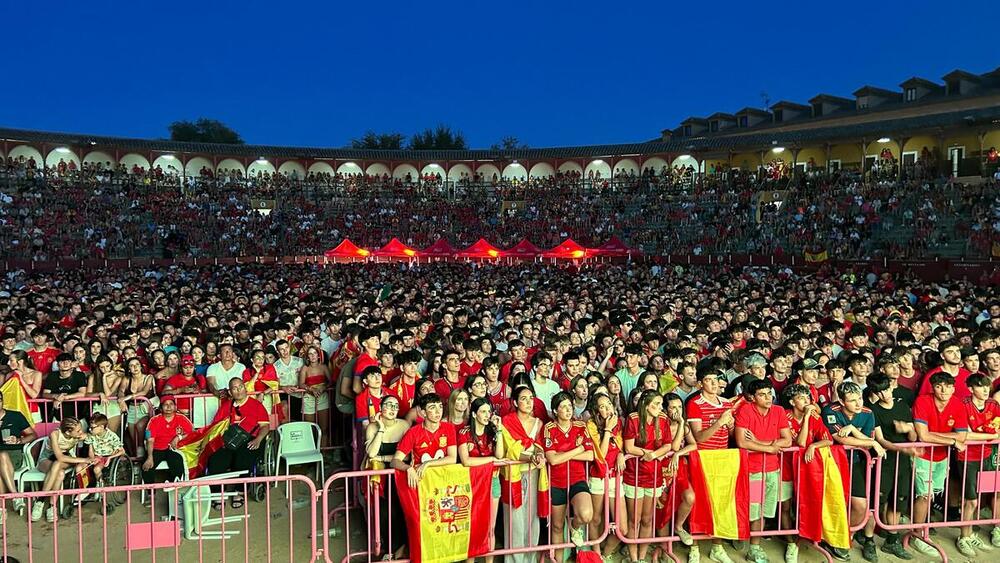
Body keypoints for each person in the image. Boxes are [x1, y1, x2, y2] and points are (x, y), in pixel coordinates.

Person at [734, 378, 793, 563]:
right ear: (752, 397)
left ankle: (755, 547)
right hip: (753, 470)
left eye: (770, 393)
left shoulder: (778, 410)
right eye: (762, 394)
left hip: (772, 469)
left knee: (763, 511)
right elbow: (742, 442)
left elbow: (787, 440)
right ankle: (743, 540)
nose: (768, 397)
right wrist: (770, 447)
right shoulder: (745, 410)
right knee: (752, 510)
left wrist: (758, 443)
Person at [910, 372, 968, 557]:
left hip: (941, 458)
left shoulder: (957, 404)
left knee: (931, 496)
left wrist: (939, 437)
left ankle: (922, 531)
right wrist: (951, 441)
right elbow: (923, 436)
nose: (944, 390)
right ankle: (917, 536)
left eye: (948, 386)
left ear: (953, 387)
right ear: (933, 388)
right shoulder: (923, 401)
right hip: (922, 456)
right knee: (924, 496)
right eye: (939, 386)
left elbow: (962, 436)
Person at [682, 364, 735, 563]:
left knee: (720, 504)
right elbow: (699, 437)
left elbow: (730, 435)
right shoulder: (695, 403)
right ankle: (694, 548)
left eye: (716, 380)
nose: (713, 384)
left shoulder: (726, 404)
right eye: (708, 380)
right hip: (701, 459)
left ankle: (717, 547)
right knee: (698, 504)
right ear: (700, 383)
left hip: (722, 459)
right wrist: (720, 422)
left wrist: (730, 426)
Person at [781, 383, 834, 563]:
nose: (807, 401)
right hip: (785, 468)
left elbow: (828, 440)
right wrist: (805, 420)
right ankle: (790, 543)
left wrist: (815, 445)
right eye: (802, 398)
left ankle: (804, 537)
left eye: (808, 398)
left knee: (804, 505)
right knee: (786, 507)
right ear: (792, 401)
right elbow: (801, 442)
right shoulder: (784, 416)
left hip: (806, 470)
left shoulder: (815, 417)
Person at [865, 376, 917, 560]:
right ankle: (868, 540)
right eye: (879, 392)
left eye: (886, 390)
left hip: (902, 462)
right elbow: (881, 440)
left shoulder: (902, 406)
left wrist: (907, 430)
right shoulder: (873, 411)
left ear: (891, 388)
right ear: (874, 393)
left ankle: (892, 540)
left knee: (898, 500)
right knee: (876, 501)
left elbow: (912, 435)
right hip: (884, 461)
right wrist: (904, 449)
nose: (884, 394)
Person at [622, 389, 673, 563]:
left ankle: (642, 557)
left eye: (660, 404)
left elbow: (668, 445)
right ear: (645, 404)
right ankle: (633, 558)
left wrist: (653, 455)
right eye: (656, 404)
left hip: (654, 476)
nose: (660, 408)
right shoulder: (633, 419)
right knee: (633, 520)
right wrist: (648, 452)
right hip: (634, 476)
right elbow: (629, 447)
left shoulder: (663, 420)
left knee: (647, 519)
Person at [205, 377, 271, 508]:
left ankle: (239, 491)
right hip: (229, 440)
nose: (238, 390)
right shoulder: (225, 407)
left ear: (245, 387)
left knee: (243, 459)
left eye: (240, 386)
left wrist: (258, 439)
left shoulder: (256, 405)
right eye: (234, 388)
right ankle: (218, 493)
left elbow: (265, 426)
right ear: (230, 392)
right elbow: (216, 427)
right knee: (215, 459)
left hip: (251, 439)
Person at [544, 391, 595, 556]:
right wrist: (578, 449)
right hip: (556, 481)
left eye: (570, 406)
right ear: (555, 410)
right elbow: (552, 460)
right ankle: (558, 559)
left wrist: (564, 454)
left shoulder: (580, 426)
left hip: (577, 478)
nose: (567, 410)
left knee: (586, 515)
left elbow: (590, 455)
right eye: (563, 406)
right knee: (557, 526)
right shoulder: (549, 428)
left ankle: (575, 527)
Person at [954, 374, 1000, 554]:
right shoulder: (962, 405)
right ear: (971, 389)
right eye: (980, 387)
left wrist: (987, 435)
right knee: (970, 500)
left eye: (987, 387)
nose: (985, 390)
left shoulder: (993, 405)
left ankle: (971, 534)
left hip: (988, 456)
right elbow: (964, 435)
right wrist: (991, 436)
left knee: (986, 496)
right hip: (967, 457)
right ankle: (963, 537)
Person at [499, 385, 545, 563]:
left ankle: (531, 558)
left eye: (531, 398)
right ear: (515, 402)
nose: (528, 402)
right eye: (524, 398)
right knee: (514, 520)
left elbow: (540, 447)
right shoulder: (507, 421)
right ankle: (514, 560)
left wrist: (538, 456)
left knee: (532, 518)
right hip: (513, 475)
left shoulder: (539, 423)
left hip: (534, 474)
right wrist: (531, 456)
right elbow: (509, 449)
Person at [364, 395, 411, 561]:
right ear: (381, 408)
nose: (392, 409)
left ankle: (400, 551)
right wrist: (381, 428)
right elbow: (371, 453)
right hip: (380, 479)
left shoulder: (404, 425)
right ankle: (390, 550)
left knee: (402, 512)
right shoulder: (372, 427)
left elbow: (406, 457)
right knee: (384, 514)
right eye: (388, 405)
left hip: (400, 475)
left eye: (396, 406)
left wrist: (384, 460)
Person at [458, 397, 504, 563]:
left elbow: (499, 455)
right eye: (483, 411)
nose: (487, 415)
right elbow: (466, 461)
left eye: (489, 411)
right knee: (473, 527)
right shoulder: (464, 433)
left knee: (489, 528)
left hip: (492, 481)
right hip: (472, 484)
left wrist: (499, 430)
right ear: (474, 413)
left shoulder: (492, 432)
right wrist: (491, 461)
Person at [585, 392, 625, 559]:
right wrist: (608, 430)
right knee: (595, 520)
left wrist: (622, 453)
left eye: (608, 404)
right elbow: (600, 454)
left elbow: (621, 447)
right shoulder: (591, 425)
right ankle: (596, 554)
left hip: (616, 477)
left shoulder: (619, 423)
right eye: (602, 406)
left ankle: (606, 553)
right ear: (596, 410)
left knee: (623, 528)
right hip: (598, 477)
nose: (607, 408)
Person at [33, 417, 88, 522]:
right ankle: (51, 506)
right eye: (78, 431)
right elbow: (60, 457)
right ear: (68, 432)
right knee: (60, 473)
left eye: (80, 429)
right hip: (47, 459)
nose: (81, 432)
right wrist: (85, 459)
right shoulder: (55, 434)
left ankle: (40, 500)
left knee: (57, 464)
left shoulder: (79, 436)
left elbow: (94, 437)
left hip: (68, 459)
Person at [0, 388, 36, 514]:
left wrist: (18, 440)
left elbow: (33, 435)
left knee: (2, 455)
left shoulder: (15, 415)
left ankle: (2, 509)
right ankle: (14, 498)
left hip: (14, 454)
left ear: (2, 401)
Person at [141, 397, 192, 484]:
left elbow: (192, 433)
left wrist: (178, 437)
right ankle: (151, 493)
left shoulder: (182, 419)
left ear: (175, 407)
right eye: (166, 405)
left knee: (177, 463)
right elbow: (150, 440)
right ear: (161, 408)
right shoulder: (153, 420)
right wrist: (150, 457)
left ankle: (171, 486)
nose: (168, 407)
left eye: (171, 404)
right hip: (157, 449)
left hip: (174, 449)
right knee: (147, 467)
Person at [82, 413, 125, 489]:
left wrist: (110, 457)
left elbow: (122, 451)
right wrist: (92, 459)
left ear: (101, 427)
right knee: (81, 468)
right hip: (96, 457)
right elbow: (91, 451)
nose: (90, 429)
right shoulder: (91, 435)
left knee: (96, 469)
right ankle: (85, 487)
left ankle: (100, 485)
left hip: (108, 457)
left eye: (92, 428)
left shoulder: (112, 436)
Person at [43, 353, 90, 422]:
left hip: (78, 416)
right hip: (58, 416)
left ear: (71, 363)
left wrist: (64, 397)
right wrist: (56, 396)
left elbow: (82, 393)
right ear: (58, 365)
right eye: (62, 361)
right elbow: (45, 394)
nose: (65, 363)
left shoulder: (79, 375)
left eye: (68, 361)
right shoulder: (52, 376)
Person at [298, 346, 331, 444]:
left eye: (315, 353)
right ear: (307, 357)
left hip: (323, 397)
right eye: (310, 354)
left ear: (318, 355)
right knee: (310, 428)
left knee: (323, 428)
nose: (313, 356)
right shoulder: (305, 368)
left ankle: (323, 452)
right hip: (308, 397)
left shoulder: (324, 367)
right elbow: (301, 383)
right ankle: (312, 451)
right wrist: (311, 389)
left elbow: (330, 382)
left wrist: (323, 387)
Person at [87, 355, 123, 435]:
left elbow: (108, 393)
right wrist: (100, 393)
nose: (105, 369)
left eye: (107, 366)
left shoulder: (117, 377)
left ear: (111, 365)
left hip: (113, 407)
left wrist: (104, 377)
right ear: (98, 367)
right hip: (98, 407)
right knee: (98, 435)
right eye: (102, 367)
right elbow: (87, 394)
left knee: (111, 435)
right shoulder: (93, 377)